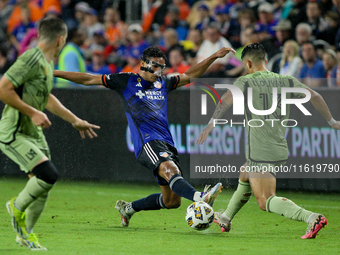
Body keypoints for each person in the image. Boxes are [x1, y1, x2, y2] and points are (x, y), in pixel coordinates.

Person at [53, 46, 236, 227]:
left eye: (161, 67)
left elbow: (190, 75)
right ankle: (201, 197)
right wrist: (54, 72)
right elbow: (87, 79)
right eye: (155, 66)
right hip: (146, 141)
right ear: (143, 64)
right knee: (171, 171)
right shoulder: (125, 81)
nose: (159, 71)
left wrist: (214, 56)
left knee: (172, 202)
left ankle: (128, 208)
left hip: (167, 143)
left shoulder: (163, 83)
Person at [197, 43, 340, 239]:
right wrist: (331, 121)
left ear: (248, 63)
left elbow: (227, 97)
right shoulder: (286, 80)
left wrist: (211, 123)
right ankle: (226, 217)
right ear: (265, 60)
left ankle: (312, 217)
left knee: (265, 200)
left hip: (260, 149)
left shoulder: (245, 81)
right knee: (245, 171)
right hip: (278, 146)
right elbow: (314, 95)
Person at [0, 17, 100, 250]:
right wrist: (32, 112)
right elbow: (3, 89)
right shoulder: (30, 59)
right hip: (13, 131)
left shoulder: (46, 62)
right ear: (60, 39)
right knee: (48, 174)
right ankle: (16, 206)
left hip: (32, 132)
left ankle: (26, 234)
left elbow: (47, 97)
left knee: (43, 184)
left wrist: (75, 120)